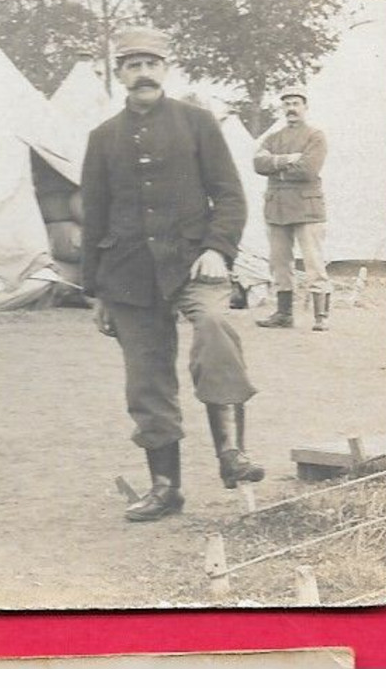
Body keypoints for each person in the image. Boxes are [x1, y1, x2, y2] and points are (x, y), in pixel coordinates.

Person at [81, 27, 261, 522]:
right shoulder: (102, 138)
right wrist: (95, 289)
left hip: (194, 261)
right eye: (133, 64)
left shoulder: (198, 123)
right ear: (119, 73)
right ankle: (165, 487)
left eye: (152, 63)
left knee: (214, 328)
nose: (143, 73)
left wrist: (217, 249)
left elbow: (229, 195)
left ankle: (232, 453)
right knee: (146, 378)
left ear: (166, 69)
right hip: (127, 273)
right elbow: (93, 215)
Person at [254, 85, 332, 331]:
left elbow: (309, 169)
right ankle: (284, 314)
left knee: (314, 262)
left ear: (305, 107)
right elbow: (258, 163)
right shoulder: (272, 138)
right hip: (277, 208)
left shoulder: (315, 136)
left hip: (307, 208)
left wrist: (275, 167)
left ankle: (321, 317)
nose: (291, 108)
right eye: (287, 104)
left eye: (296, 103)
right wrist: (289, 159)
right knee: (279, 263)